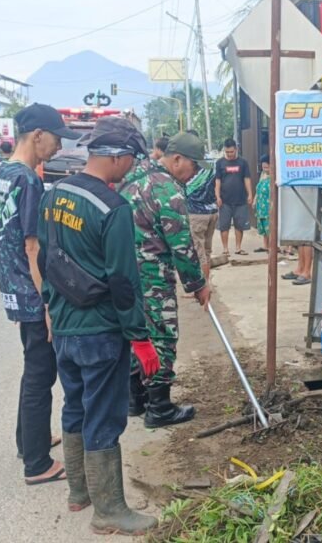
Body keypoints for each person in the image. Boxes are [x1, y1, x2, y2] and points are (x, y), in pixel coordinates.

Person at [38, 118, 159, 536]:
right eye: (131, 160)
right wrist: (140, 338)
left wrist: (50, 308)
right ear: (117, 157)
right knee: (104, 416)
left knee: (74, 405)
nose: (131, 169)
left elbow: (45, 260)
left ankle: (79, 491)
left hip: (66, 330)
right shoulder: (114, 208)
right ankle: (109, 510)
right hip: (101, 332)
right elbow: (124, 281)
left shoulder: (55, 195)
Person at [0, 103, 73, 485]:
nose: (58, 148)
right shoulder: (29, 180)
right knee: (42, 374)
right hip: (30, 290)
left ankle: (30, 440)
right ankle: (37, 464)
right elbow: (32, 246)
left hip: (11, 285)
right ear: (38, 135)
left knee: (32, 368)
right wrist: (47, 304)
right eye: (56, 140)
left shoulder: (1, 172)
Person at [120, 132, 212, 428]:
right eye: (193, 166)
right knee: (161, 335)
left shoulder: (133, 175)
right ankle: (159, 407)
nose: (194, 174)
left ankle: (135, 398)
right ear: (176, 159)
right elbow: (182, 247)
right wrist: (197, 284)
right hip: (152, 277)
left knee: (136, 333)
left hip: (123, 275)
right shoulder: (167, 190)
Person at [184, 147, 218, 282]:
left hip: (196, 213)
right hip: (212, 212)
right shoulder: (211, 165)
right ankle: (206, 282)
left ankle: (202, 285)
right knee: (207, 250)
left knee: (199, 252)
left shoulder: (190, 168)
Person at [214, 138, 253, 256]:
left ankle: (238, 248)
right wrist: (217, 196)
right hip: (225, 200)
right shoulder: (219, 163)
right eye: (227, 152)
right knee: (224, 226)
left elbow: (247, 179)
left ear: (236, 149)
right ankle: (225, 249)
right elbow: (217, 180)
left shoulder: (243, 162)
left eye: (231, 152)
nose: (229, 154)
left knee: (239, 225)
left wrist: (250, 194)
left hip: (240, 199)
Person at [253, 154, 271, 253]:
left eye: (267, 167)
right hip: (261, 204)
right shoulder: (263, 174)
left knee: (269, 225)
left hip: (269, 204)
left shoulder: (275, 176)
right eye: (263, 167)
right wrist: (255, 200)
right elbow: (258, 188)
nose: (265, 169)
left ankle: (272, 246)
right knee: (263, 225)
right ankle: (265, 245)